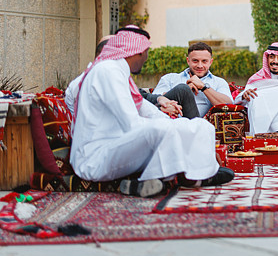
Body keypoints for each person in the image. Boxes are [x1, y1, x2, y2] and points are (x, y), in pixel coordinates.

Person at [70, 26, 234, 197]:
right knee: (162, 129)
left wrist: (179, 125)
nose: (146, 59)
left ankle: (200, 174)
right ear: (138, 52)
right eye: (146, 53)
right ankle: (155, 180)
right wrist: (171, 129)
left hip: (118, 146)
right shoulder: (107, 72)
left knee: (197, 125)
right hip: (96, 157)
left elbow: (145, 108)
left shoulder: (118, 72)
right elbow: (131, 123)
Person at [65, 36, 193, 119]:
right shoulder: (99, 77)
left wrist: (160, 101)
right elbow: (129, 115)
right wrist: (162, 112)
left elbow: (140, 100)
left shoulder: (110, 73)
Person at [154, 42, 233, 118]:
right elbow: (153, 101)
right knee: (182, 89)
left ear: (210, 62)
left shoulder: (219, 82)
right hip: (172, 124)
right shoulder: (169, 79)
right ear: (188, 61)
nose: (199, 65)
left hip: (201, 127)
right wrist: (183, 91)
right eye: (195, 61)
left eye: (204, 61)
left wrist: (204, 87)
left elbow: (228, 106)